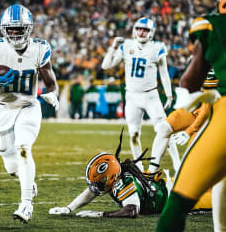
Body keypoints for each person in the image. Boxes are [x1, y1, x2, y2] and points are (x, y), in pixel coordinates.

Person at [0, 4, 59, 223]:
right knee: (11, 165)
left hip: (29, 107)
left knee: (23, 148)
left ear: (28, 28)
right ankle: (27, 181)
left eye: (18, 28)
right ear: (3, 29)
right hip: (3, 108)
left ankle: (26, 204)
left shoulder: (40, 48)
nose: (13, 32)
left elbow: (51, 83)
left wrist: (53, 94)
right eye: (10, 29)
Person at [157, 0, 226, 231]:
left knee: (177, 202)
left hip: (220, 113)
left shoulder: (212, 26)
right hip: (211, 109)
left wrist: (187, 98)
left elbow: (190, 81)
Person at [48, 130, 212, 219]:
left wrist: (101, 214)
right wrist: (69, 208)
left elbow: (132, 210)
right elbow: (91, 192)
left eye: (99, 182)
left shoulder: (122, 182)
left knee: (219, 197)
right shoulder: (117, 176)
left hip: (182, 198)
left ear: (110, 177)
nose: (96, 187)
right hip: (171, 186)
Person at [101, 17, 176, 172]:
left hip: (151, 96)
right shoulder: (127, 45)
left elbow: (164, 73)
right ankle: (140, 169)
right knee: (134, 134)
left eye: (145, 30)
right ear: (135, 30)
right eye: (139, 29)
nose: (141, 32)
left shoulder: (157, 47)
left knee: (164, 129)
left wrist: (169, 95)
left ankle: (177, 163)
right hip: (132, 97)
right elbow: (106, 65)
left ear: (151, 32)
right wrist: (113, 47)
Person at [148, 69, 218, 174]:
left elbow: (206, 109)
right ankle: (151, 173)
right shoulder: (202, 57)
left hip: (210, 117)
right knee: (164, 128)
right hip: (195, 109)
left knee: (193, 159)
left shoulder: (218, 66)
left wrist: (188, 132)